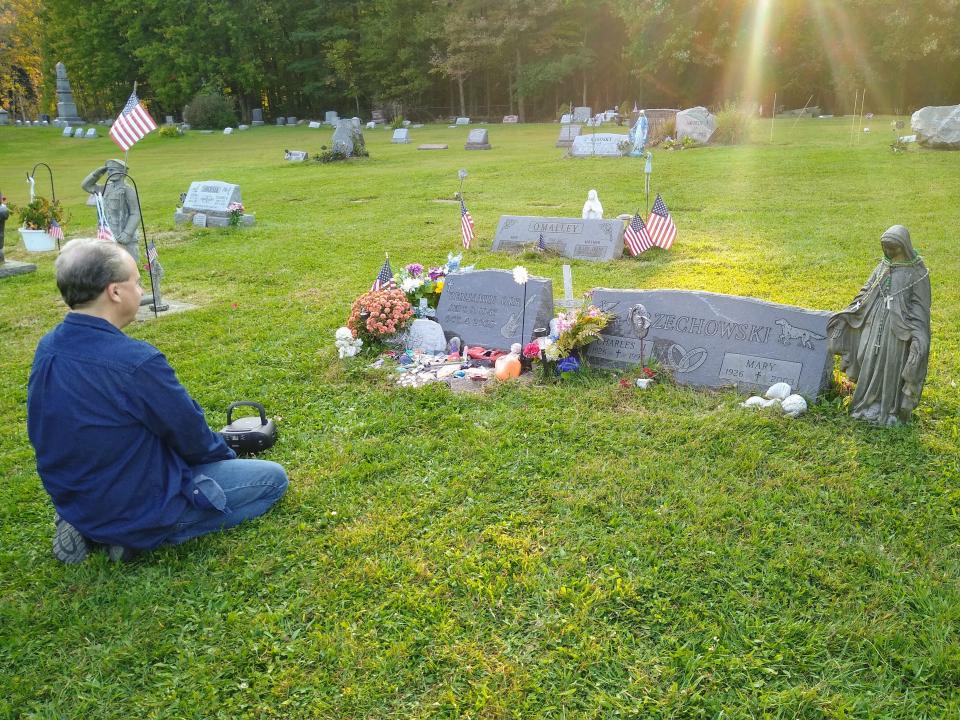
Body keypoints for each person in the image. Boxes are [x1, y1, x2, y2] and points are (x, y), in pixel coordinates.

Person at [27, 239, 288, 563]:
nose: (141, 290)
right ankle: (141, 536)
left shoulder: (47, 347)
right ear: (115, 292)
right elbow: (193, 439)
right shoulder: (136, 362)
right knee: (273, 479)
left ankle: (85, 523)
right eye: (136, 282)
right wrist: (226, 453)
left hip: (76, 496)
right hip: (139, 502)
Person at [827, 225, 931, 426]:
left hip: (898, 331)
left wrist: (918, 332)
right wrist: (853, 309)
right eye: (886, 249)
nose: (889, 253)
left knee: (890, 364)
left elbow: (921, 306)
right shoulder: (883, 265)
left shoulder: (917, 271)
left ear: (904, 247)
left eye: (894, 249)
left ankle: (889, 409)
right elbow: (867, 289)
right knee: (868, 358)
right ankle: (866, 403)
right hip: (874, 322)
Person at [81, 159, 141, 260]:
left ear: (122, 172)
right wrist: (97, 173)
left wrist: (127, 233)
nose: (109, 172)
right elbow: (86, 186)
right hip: (108, 233)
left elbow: (135, 213)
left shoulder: (128, 190)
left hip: (122, 234)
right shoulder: (105, 188)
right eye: (108, 170)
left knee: (129, 264)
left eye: (112, 170)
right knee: (111, 264)